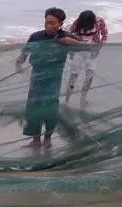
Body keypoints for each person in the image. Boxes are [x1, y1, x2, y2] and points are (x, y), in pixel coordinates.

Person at [15, 8, 85, 149]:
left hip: (54, 77)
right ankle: (35, 140)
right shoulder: (36, 36)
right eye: (47, 22)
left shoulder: (65, 37)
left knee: (50, 108)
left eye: (53, 23)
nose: (49, 26)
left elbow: (89, 47)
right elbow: (24, 53)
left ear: (60, 23)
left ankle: (47, 139)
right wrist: (19, 63)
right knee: (33, 107)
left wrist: (72, 42)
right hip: (37, 76)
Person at [66, 10, 108, 104]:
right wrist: (71, 52)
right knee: (73, 75)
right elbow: (69, 35)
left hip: (92, 51)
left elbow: (105, 35)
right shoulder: (77, 22)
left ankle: (83, 98)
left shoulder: (99, 21)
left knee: (90, 75)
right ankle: (67, 100)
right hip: (79, 51)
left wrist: (98, 48)